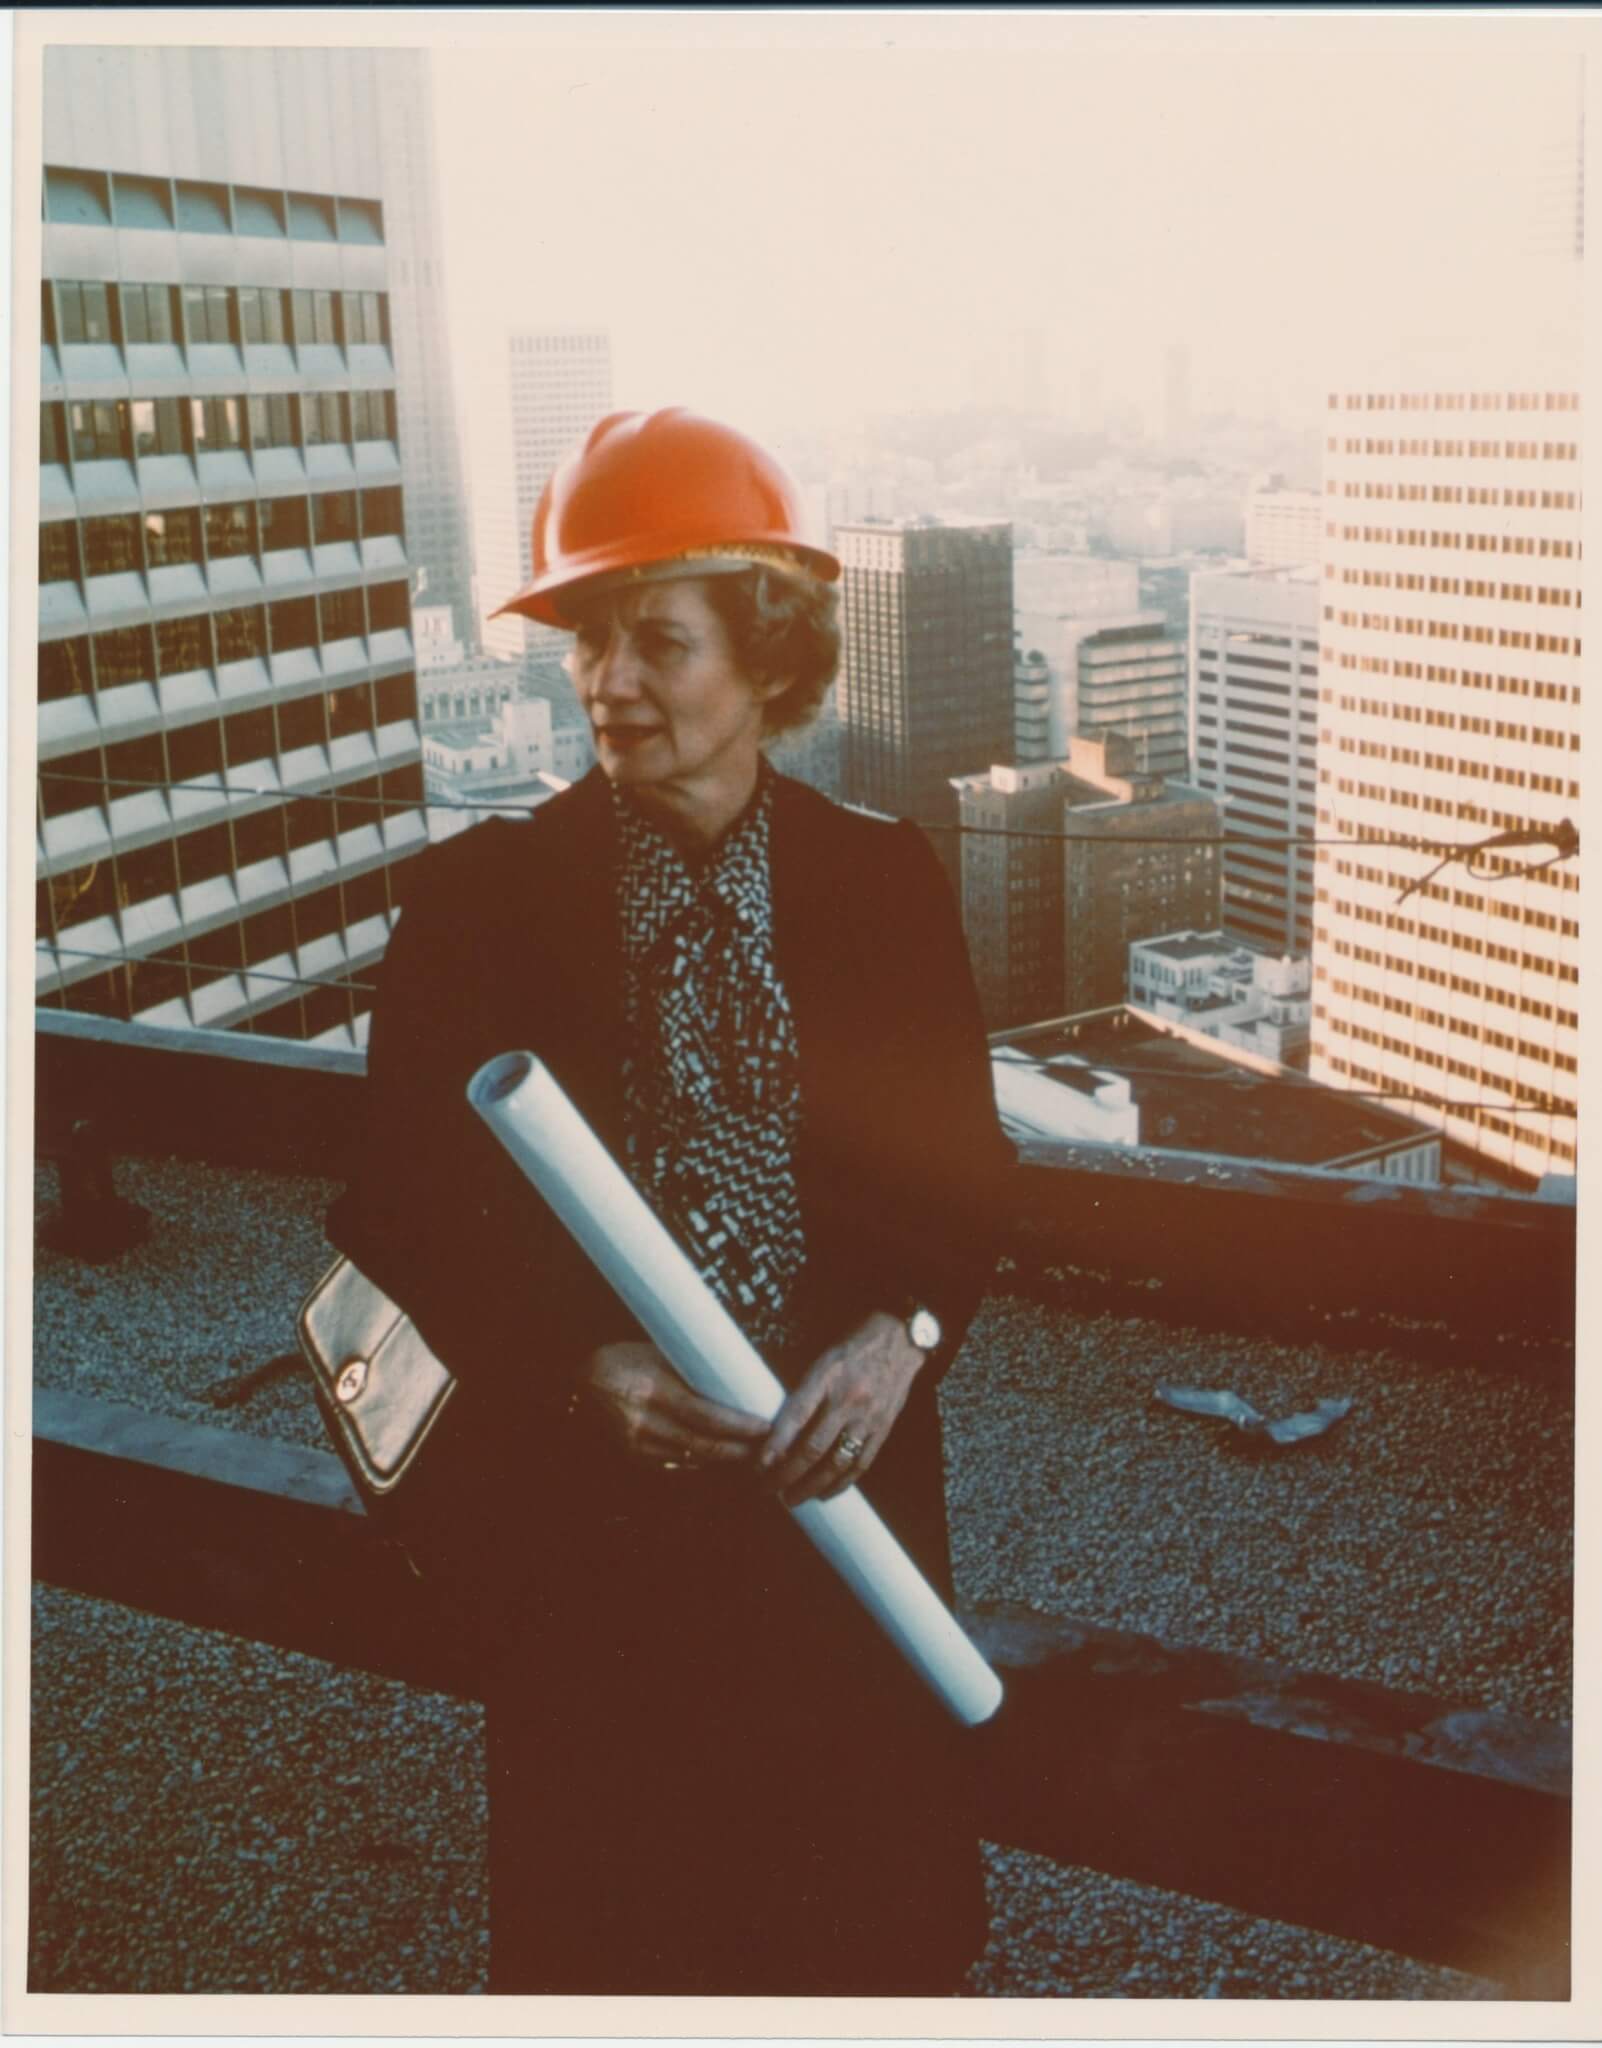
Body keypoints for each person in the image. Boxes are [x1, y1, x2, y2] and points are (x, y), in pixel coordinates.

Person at [326, 408, 1014, 1997]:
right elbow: (395, 1209)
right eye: (587, 641)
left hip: (833, 1518)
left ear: (768, 665)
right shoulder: (477, 906)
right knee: (617, 1939)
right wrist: (578, 1372)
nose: (604, 683)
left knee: (864, 1936)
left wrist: (899, 1338)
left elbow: (959, 1176)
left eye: (658, 642)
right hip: (601, 1543)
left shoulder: (879, 879)